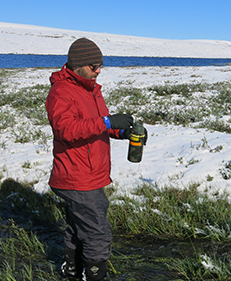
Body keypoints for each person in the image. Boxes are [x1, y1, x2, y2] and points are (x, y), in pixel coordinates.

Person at [46, 38, 142, 281]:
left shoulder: (91, 90)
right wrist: (108, 121)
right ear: (77, 65)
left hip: (89, 173)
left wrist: (122, 132)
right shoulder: (61, 92)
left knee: (79, 226)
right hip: (76, 175)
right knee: (97, 232)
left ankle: (72, 271)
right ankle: (95, 276)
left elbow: (96, 126)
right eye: (93, 66)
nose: (98, 71)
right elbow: (66, 129)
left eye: (100, 65)